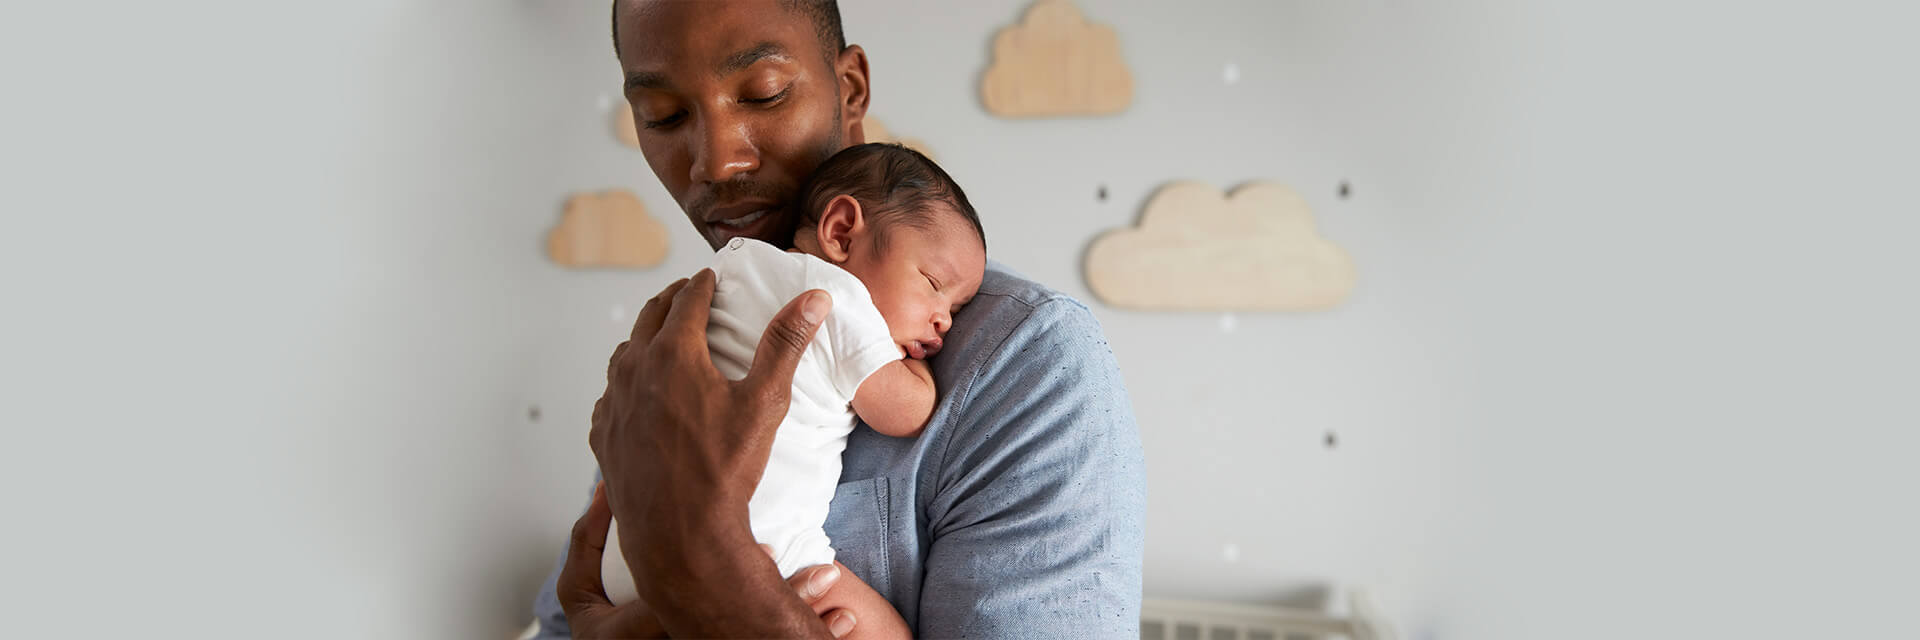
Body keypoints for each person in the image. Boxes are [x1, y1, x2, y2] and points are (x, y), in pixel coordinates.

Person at [531, 1, 1145, 637]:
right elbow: (568, 618)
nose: (715, 163)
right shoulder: (677, 344)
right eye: (664, 115)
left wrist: (720, 582)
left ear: (849, 89)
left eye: (764, 93)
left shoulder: (1027, 363)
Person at [599, 142, 987, 640]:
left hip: (627, 558)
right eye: (933, 283)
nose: (944, 320)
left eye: (955, 309)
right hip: (761, 551)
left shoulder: (731, 267)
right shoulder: (839, 298)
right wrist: (917, 368)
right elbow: (907, 412)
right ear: (841, 231)